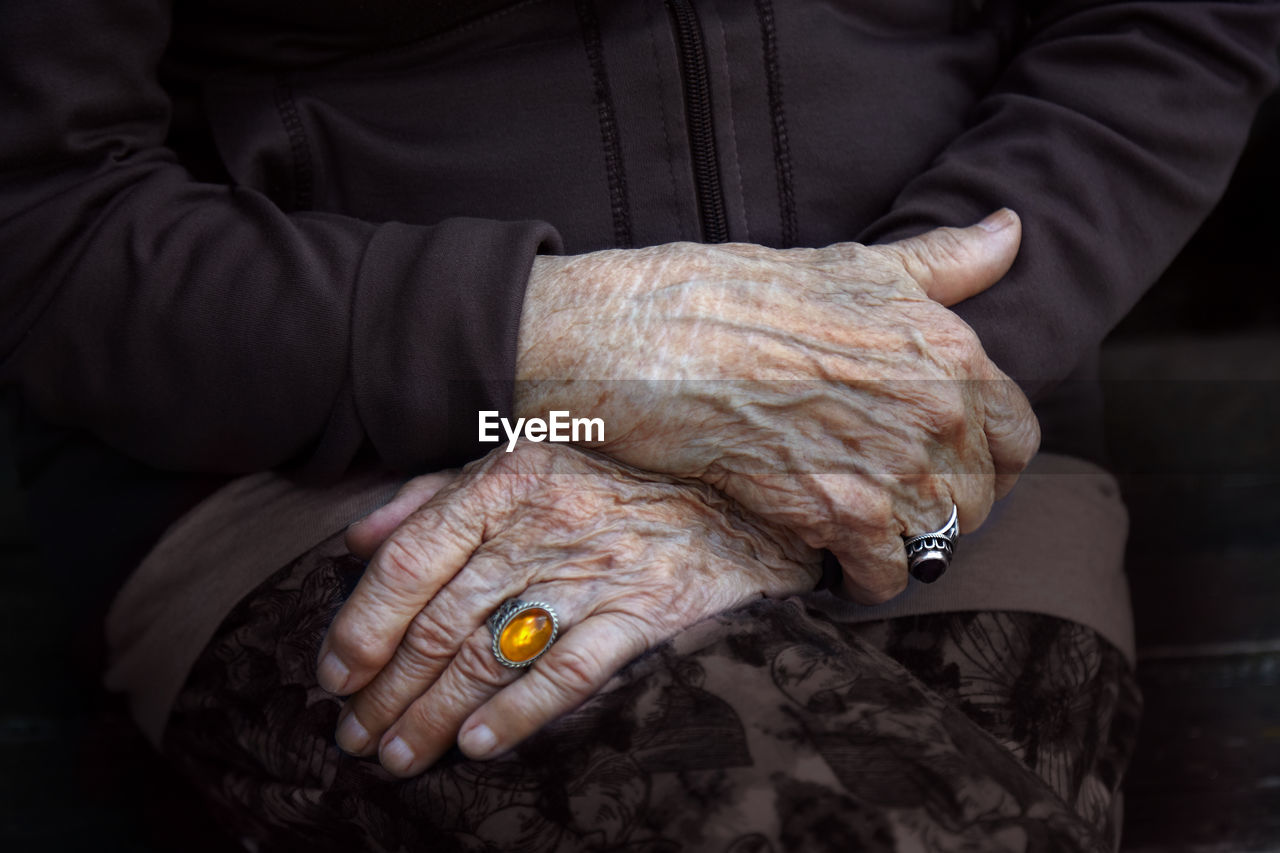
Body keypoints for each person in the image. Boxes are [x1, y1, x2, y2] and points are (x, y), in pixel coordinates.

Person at [3, 0, 1278, 849]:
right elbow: (39, 212)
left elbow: (1159, 23)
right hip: (335, 469)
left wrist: (854, 391)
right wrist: (576, 337)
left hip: (949, 467)